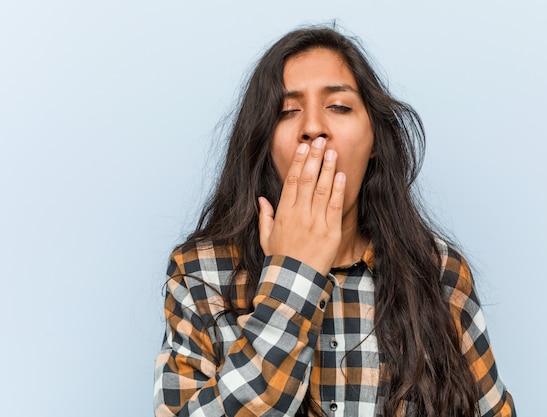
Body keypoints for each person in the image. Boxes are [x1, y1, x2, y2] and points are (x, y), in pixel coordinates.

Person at [153, 26, 516, 417]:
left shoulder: (439, 271)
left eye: (339, 107)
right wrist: (295, 276)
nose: (313, 127)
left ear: (375, 140)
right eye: (287, 111)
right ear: (263, 141)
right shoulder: (201, 273)